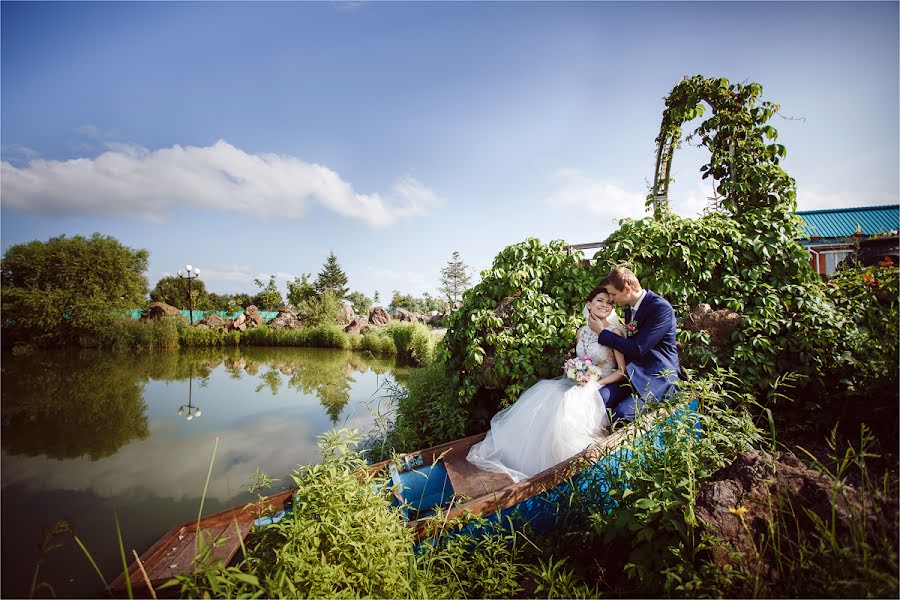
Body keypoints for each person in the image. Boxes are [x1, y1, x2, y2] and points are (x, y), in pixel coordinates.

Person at [466, 286, 626, 483]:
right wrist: (575, 373)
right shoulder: (581, 332)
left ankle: (573, 470)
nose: (605, 305)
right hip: (578, 381)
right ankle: (531, 461)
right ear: (589, 304)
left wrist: (596, 383)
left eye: (609, 302)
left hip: (601, 382)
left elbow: (621, 371)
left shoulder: (615, 332)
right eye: (600, 300)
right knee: (545, 396)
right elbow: (582, 361)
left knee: (567, 406)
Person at [590, 266, 682, 422]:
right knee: (598, 401)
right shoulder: (629, 310)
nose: (611, 299)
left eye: (613, 294)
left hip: (658, 378)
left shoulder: (660, 309)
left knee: (621, 415)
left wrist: (602, 333)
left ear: (627, 289)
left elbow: (637, 348)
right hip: (634, 375)